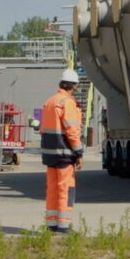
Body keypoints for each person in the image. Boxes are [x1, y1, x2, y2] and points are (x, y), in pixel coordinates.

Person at [40, 68, 84, 233]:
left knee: (52, 190)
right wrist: (79, 152)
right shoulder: (67, 102)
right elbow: (72, 131)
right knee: (66, 189)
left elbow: (43, 129)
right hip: (64, 153)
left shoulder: (50, 101)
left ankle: (51, 224)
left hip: (50, 154)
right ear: (74, 85)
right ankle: (64, 226)